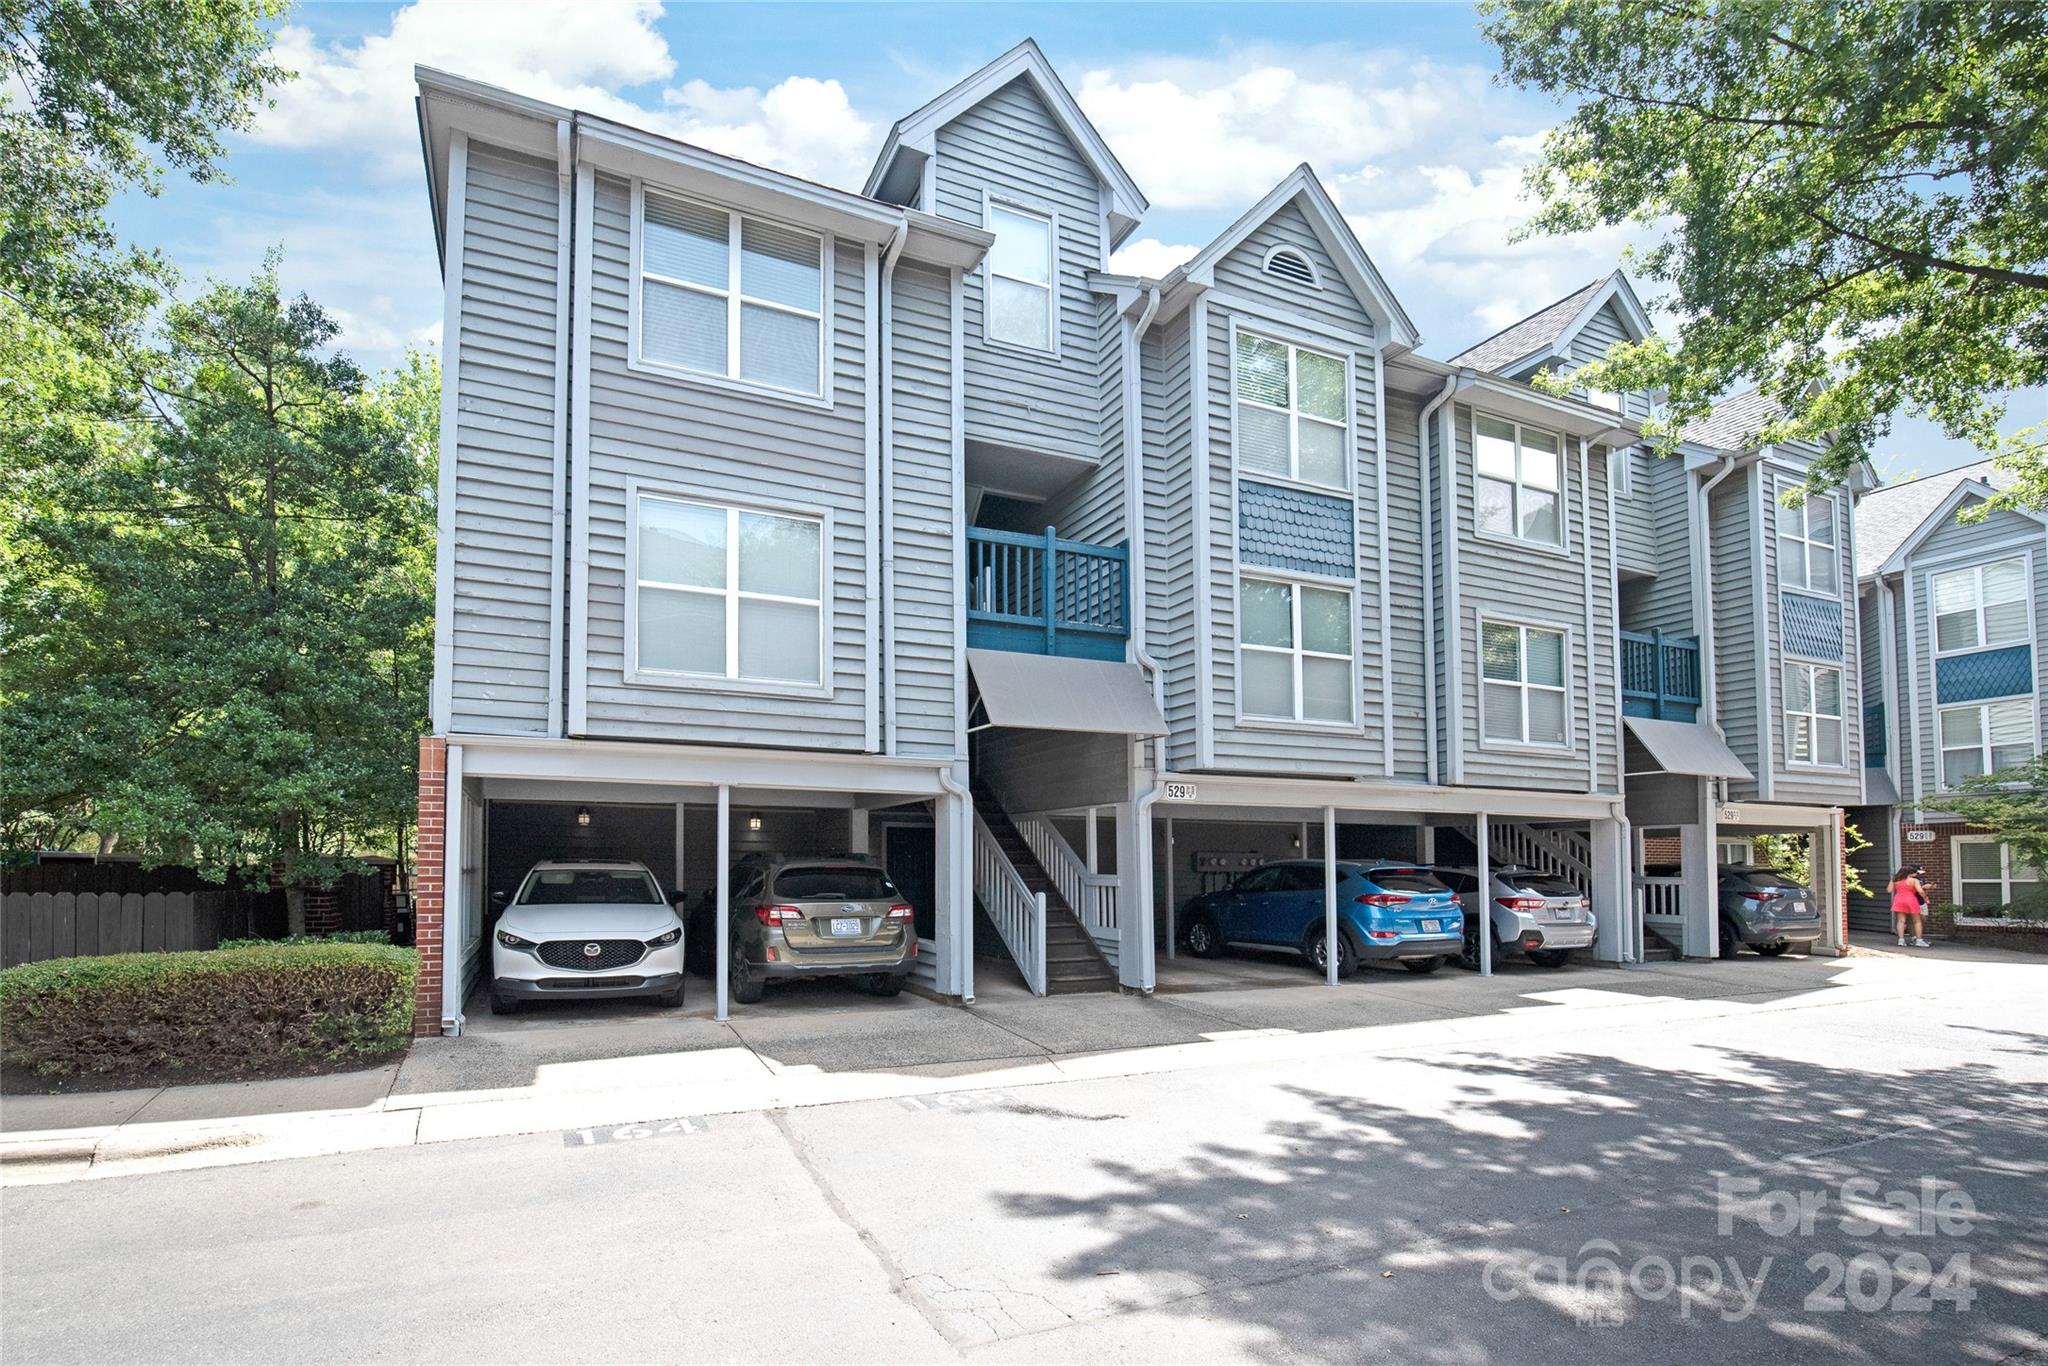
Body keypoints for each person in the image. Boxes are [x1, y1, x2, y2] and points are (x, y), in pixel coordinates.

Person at [1889, 866, 1931, 948]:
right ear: (1910, 873)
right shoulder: (1914, 881)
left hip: (1899, 900)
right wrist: (1925, 898)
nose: (1915, 874)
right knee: (1917, 921)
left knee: (1901, 921)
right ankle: (1919, 940)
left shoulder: (1895, 880)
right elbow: (1921, 891)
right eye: (1914, 872)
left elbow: (1889, 890)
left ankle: (1901, 940)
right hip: (1911, 899)